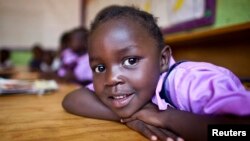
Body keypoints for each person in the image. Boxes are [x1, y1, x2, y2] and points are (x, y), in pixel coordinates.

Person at [62, 5, 250, 141]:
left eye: (130, 61)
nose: (111, 79)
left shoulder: (192, 83)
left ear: (162, 60)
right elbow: (71, 99)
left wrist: (164, 117)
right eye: (100, 68)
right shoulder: (133, 91)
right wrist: (134, 116)